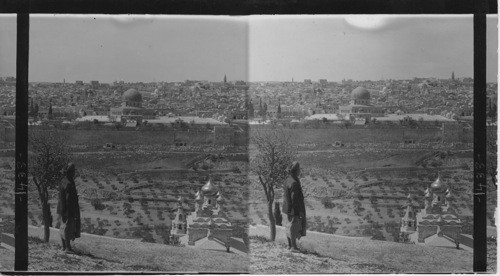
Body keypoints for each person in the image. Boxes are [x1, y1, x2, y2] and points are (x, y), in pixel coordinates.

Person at [282, 161, 306, 252]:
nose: (300, 171)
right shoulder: (294, 182)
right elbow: (294, 198)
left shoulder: (287, 180)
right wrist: (298, 211)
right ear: (296, 171)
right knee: (293, 226)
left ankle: (289, 245)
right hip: (293, 208)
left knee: (288, 226)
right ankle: (293, 247)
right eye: (299, 169)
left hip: (286, 207)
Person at [57, 163, 81, 253]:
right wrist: (66, 210)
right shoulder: (69, 182)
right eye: (73, 171)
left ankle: (64, 247)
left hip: (63, 208)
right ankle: (67, 248)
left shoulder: (64, 180)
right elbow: (66, 198)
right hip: (68, 209)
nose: (74, 173)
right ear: (70, 172)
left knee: (63, 227)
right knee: (67, 227)